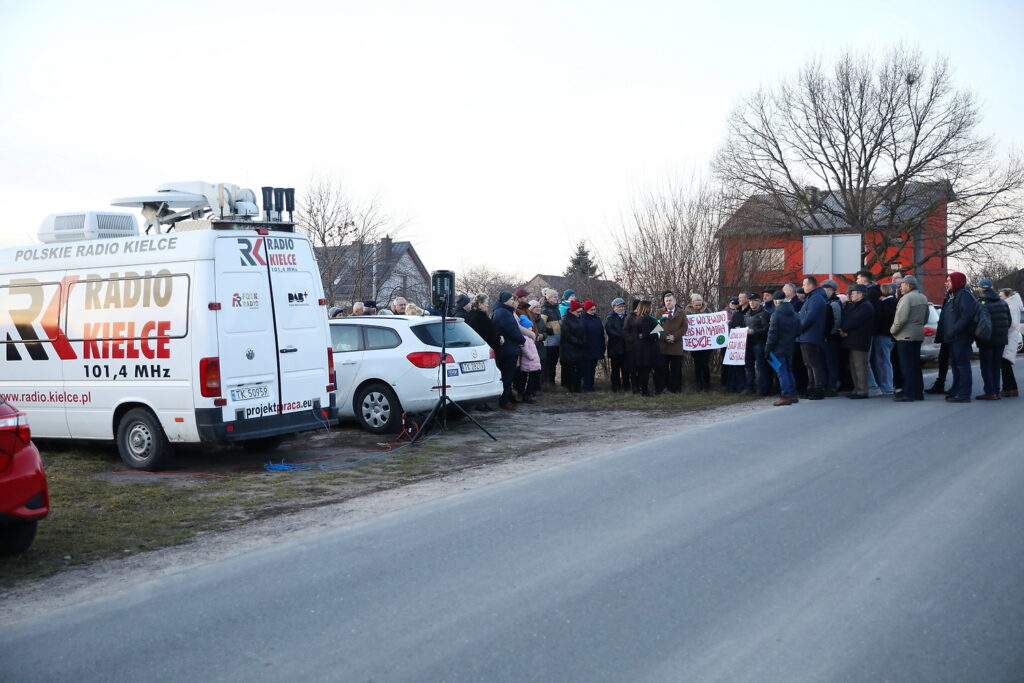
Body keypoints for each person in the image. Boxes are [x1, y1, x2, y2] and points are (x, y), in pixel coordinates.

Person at [890, 275, 930, 402]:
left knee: (906, 366)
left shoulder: (906, 299)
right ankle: (918, 392)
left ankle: (908, 393)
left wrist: (893, 331)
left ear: (909, 285)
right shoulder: (923, 297)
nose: (900, 287)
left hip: (905, 335)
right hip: (918, 334)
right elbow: (925, 317)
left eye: (902, 285)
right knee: (915, 365)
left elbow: (901, 319)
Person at [941, 272, 977, 403]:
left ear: (957, 282)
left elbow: (966, 316)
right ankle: (956, 390)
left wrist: (954, 330)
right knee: (956, 366)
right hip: (954, 338)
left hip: (960, 338)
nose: (947, 283)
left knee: (962, 366)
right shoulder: (954, 295)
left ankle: (964, 394)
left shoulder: (963, 295)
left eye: (949, 281)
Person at [976, 279, 1011, 400]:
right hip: (1001, 339)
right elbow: (1009, 321)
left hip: (987, 340)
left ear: (981, 288)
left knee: (986, 366)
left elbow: (976, 322)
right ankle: (996, 391)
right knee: (996, 366)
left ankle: (989, 392)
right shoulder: (1003, 303)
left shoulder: (981, 302)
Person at [492, 291, 526, 409]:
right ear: (505, 300)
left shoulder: (502, 311)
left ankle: (506, 398)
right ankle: (504, 401)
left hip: (508, 347)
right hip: (508, 349)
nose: (513, 301)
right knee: (507, 376)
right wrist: (522, 340)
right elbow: (512, 329)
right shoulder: (503, 313)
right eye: (511, 299)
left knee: (507, 375)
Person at [840, 284, 875, 399]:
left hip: (860, 340)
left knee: (860, 366)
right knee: (854, 366)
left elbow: (854, 320)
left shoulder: (865, 306)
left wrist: (844, 329)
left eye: (854, 293)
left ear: (860, 294)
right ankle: (856, 388)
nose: (851, 295)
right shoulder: (857, 305)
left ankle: (862, 390)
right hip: (853, 340)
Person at [766, 290, 800, 405]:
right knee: (789, 370)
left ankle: (785, 396)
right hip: (790, 345)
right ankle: (793, 394)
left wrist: (767, 349)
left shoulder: (776, 314)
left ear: (775, 301)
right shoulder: (794, 313)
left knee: (782, 372)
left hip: (778, 347)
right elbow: (798, 330)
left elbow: (772, 334)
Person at [797, 276, 828, 400]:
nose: (803, 286)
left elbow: (810, 317)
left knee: (814, 363)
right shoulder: (810, 298)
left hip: (812, 335)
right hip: (805, 336)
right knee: (808, 363)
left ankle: (818, 388)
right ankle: (811, 387)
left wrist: (799, 328)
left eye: (805, 284)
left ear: (811, 286)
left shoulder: (816, 298)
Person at [627, 300, 660, 397]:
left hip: (639, 348)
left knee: (642, 370)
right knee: (645, 370)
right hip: (646, 349)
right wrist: (657, 333)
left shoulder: (638, 318)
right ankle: (645, 392)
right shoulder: (646, 319)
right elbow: (646, 335)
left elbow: (642, 334)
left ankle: (643, 390)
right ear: (647, 308)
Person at [657, 291, 687, 393]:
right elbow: (657, 327)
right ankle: (664, 388)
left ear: (674, 301)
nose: (668, 303)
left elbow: (684, 327)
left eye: (670, 300)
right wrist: (665, 337)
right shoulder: (659, 312)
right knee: (663, 369)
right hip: (664, 346)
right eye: (666, 301)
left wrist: (674, 337)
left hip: (676, 345)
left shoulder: (681, 312)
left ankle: (676, 389)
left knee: (676, 369)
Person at [871, 284, 897, 395]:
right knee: (886, 360)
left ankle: (887, 386)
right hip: (890, 336)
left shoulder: (884, 305)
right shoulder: (895, 303)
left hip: (882, 335)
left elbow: (880, 318)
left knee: (883, 362)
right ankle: (888, 385)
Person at [686, 294, 712, 392]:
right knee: (697, 364)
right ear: (692, 304)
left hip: (706, 343)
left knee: (705, 364)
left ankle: (707, 385)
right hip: (695, 344)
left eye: (700, 305)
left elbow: (713, 323)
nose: (698, 307)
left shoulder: (708, 311)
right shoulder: (687, 312)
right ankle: (699, 384)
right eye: (696, 305)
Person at [744, 295, 770, 394]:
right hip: (748, 343)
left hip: (759, 343)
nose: (751, 303)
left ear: (758, 301)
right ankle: (749, 387)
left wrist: (754, 332)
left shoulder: (764, 314)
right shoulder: (747, 314)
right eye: (750, 301)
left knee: (760, 366)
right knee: (749, 366)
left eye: (753, 301)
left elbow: (766, 329)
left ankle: (762, 388)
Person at [820, 280, 842, 396]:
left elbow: (837, 321)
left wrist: (829, 335)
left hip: (831, 339)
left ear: (830, 290)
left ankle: (832, 386)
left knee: (831, 363)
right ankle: (827, 385)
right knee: (826, 363)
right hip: (826, 338)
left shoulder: (834, 303)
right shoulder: (827, 302)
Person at [999, 288, 1022, 397]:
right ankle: (1011, 388)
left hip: (1008, 338)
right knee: (1005, 363)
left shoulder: (1010, 305)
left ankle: (1009, 388)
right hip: (1009, 337)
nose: (1000, 298)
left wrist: (1002, 331)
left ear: (1008, 296)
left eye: (1001, 296)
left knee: (1005, 363)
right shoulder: (1012, 304)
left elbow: (1011, 323)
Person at [559, 300, 585, 393]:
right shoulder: (566, 320)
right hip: (568, 349)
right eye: (578, 312)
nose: (580, 313)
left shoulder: (580, 318)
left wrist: (583, 340)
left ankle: (577, 387)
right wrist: (577, 341)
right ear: (572, 311)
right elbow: (567, 334)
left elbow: (583, 330)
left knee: (579, 369)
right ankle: (570, 388)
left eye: (581, 312)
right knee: (570, 370)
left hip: (579, 348)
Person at [516, 314, 542, 403]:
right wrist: (531, 357)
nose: (531, 328)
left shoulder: (530, 338)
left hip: (533, 363)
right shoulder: (524, 338)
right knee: (528, 381)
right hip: (529, 363)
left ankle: (529, 394)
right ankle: (526, 396)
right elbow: (525, 349)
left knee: (533, 380)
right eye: (529, 327)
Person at [580, 301, 605, 392]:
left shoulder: (597, 319)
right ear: (586, 310)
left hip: (596, 346)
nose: (593, 311)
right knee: (587, 367)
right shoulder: (582, 319)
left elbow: (601, 332)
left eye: (594, 309)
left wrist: (602, 345)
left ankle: (591, 384)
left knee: (593, 367)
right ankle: (587, 385)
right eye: (591, 310)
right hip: (586, 347)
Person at [605, 298, 629, 392]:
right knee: (615, 369)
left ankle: (626, 385)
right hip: (615, 347)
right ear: (614, 308)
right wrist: (622, 335)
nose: (622, 308)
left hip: (625, 347)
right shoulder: (610, 318)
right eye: (619, 307)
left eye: (623, 306)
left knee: (625, 368)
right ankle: (615, 386)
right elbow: (609, 331)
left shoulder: (627, 316)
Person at [540, 288, 562, 386]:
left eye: (557, 296)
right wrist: (551, 331)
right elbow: (541, 325)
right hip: (550, 341)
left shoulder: (556, 308)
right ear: (549, 298)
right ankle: (547, 383)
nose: (557, 298)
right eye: (554, 297)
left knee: (553, 362)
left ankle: (552, 382)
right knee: (549, 363)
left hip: (558, 339)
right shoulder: (545, 309)